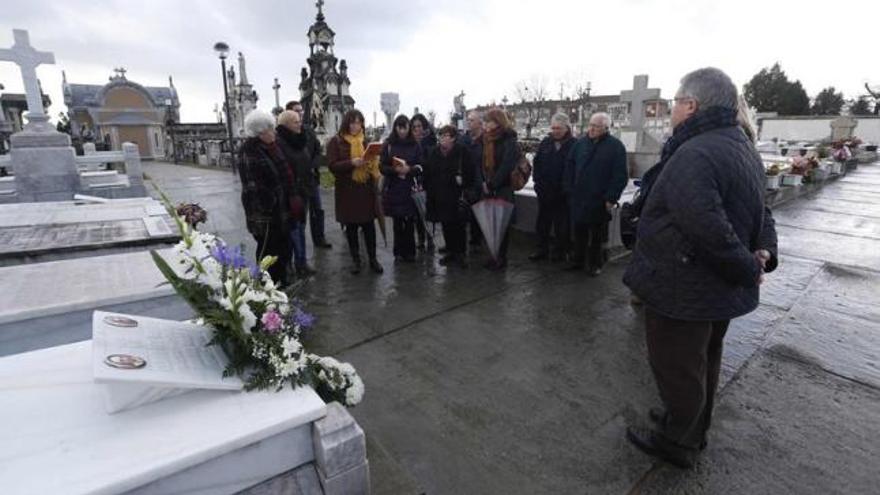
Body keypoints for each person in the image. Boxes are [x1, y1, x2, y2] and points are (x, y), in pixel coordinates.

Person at [622, 67, 779, 469]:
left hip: (684, 285)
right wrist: (763, 250)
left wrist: (749, 265)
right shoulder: (740, 144)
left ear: (690, 106)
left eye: (675, 102)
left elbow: (707, 226)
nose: (672, 109)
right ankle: (691, 424)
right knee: (702, 361)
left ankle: (677, 442)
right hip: (709, 287)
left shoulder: (696, 152)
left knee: (678, 366)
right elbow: (759, 210)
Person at [564, 112, 628, 276]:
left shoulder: (616, 147)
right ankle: (578, 260)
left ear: (606, 128)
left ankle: (595, 264)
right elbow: (570, 166)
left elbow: (620, 175)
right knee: (579, 232)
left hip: (599, 199)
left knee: (597, 236)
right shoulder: (580, 144)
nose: (591, 129)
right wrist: (569, 189)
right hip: (579, 197)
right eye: (590, 125)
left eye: (596, 126)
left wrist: (611, 197)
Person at [237, 109, 292, 286]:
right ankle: (268, 287)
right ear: (260, 132)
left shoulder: (271, 148)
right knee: (269, 253)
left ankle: (280, 283)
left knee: (282, 250)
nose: (274, 132)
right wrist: (274, 202)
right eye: (270, 129)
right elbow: (254, 187)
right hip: (265, 216)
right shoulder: (250, 152)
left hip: (279, 212)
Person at [326, 109, 384, 275]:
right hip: (348, 191)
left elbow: (372, 161)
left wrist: (373, 162)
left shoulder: (365, 141)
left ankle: (373, 259)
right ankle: (356, 261)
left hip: (365, 190)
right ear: (346, 123)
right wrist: (352, 163)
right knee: (351, 228)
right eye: (352, 122)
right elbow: (332, 165)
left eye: (359, 122)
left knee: (369, 227)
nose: (356, 126)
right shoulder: (336, 142)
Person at [423, 125, 474, 267]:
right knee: (446, 224)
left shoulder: (462, 152)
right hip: (440, 195)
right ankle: (451, 251)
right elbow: (428, 172)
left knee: (459, 226)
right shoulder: (434, 152)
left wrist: (463, 180)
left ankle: (461, 253)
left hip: (456, 196)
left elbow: (470, 172)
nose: (443, 139)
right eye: (442, 135)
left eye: (447, 136)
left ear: (453, 138)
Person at [285, 100, 332, 249]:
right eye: (296, 111)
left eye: (301, 111)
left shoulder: (309, 131)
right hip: (298, 182)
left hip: (312, 178)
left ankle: (319, 238)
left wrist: (312, 166)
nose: (300, 113)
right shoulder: (286, 134)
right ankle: (299, 249)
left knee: (317, 210)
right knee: (300, 216)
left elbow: (318, 151)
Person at [477, 108, 520, 271]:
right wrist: (484, 182)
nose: (486, 124)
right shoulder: (486, 139)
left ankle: (501, 258)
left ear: (498, 122)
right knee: (490, 223)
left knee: (502, 225)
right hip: (488, 187)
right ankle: (492, 256)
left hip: (502, 188)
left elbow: (507, 166)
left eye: (489, 121)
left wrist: (492, 184)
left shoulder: (509, 140)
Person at [275, 110, 316, 278]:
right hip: (290, 195)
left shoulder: (300, 140)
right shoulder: (280, 143)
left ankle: (301, 262)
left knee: (300, 230)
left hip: (303, 193)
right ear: (285, 125)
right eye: (295, 122)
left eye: (299, 120)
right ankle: (291, 264)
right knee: (293, 231)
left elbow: (306, 162)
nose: (300, 124)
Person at [530, 113, 576, 262]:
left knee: (562, 226)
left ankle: (560, 252)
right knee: (542, 223)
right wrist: (538, 184)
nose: (555, 131)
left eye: (559, 128)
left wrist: (568, 188)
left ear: (566, 128)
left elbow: (576, 169)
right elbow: (537, 164)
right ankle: (541, 249)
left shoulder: (574, 144)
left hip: (563, 193)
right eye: (553, 128)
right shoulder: (546, 142)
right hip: (545, 191)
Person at [380, 115, 424, 262]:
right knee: (397, 222)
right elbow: (382, 166)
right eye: (399, 127)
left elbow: (421, 166)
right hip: (394, 188)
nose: (402, 131)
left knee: (410, 221)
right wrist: (396, 170)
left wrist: (409, 170)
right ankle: (398, 252)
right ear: (395, 128)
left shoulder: (415, 145)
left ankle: (410, 252)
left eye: (405, 127)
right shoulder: (388, 145)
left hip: (410, 188)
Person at [411, 113, 437, 251]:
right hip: (415, 182)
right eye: (414, 127)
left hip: (428, 181)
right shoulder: (411, 143)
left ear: (424, 126)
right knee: (417, 213)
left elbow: (432, 162)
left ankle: (430, 238)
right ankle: (421, 239)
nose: (417, 129)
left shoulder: (430, 141)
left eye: (419, 126)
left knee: (428, 212)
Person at [459, 110, 484, 251]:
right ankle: (462, 242)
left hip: (480, 182)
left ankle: (477, 240)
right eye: (468, 120)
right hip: (466, 181)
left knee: (478, 214)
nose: (469, 122)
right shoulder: (463, 139)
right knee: (463, 213)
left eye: (472, 120)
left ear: (480, 122)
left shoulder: (486, 140)